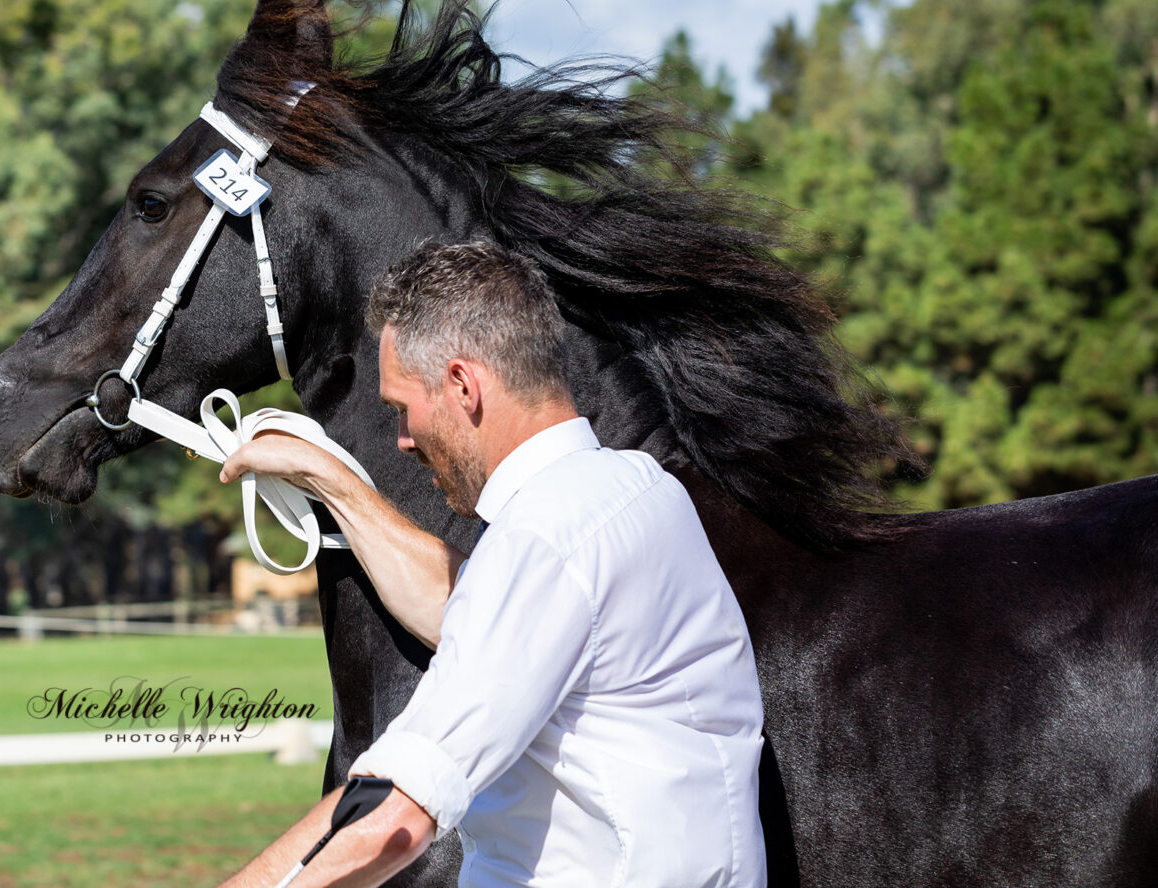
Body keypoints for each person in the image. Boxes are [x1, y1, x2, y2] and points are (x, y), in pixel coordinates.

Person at [214, 241, 766, 888]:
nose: (402, 438)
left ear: (462, 385)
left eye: (401, 408)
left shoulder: (544, 537)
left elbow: (396, 808)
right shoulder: (638, 489)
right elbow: (475, 622)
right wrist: (327, 476)